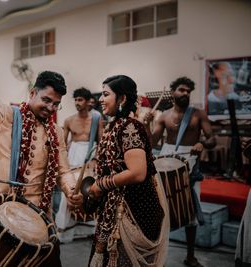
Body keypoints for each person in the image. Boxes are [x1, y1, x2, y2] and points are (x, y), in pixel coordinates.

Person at [0, 71, 83, 266]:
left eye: (56, 104)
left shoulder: (57, 131)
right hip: (0, 214)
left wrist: (72, 190)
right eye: (46, 100)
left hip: (39, 218)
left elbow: (63, 171)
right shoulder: (5, 114)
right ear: (32, 93)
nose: (50, 108)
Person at [87, 75, 168, 267]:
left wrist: (101, 184)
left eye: (105, 94)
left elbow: (138, 172)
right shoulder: (114, 125)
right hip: (114, 205)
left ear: (122, 99)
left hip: (133, 210)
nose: (100, 99)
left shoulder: (130, 127)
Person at [144, 77, 216, 267]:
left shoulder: (198, 114)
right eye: (181, 90)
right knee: (161, 209)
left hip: (190, 163)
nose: (185, 94)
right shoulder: (164, 116)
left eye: (188, 91)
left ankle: (190, 256)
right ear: (173, 92)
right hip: (166, 163)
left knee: (190, 211)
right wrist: (145, 125)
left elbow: (212, 140)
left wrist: (202, 143)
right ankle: (158, 255)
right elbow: (151, 144)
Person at [55, 87, 103, 242]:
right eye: (75, 99)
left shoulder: (97, 118)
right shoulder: (69, 120)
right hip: (74, 155)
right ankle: (66, 231)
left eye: (80, 99)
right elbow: (64, 143)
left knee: (88, 190)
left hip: (90, 155)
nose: (77, 102)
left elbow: (101, 141)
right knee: (71, 189)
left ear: (88, 101)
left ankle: (88, 230)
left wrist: (96, 159)